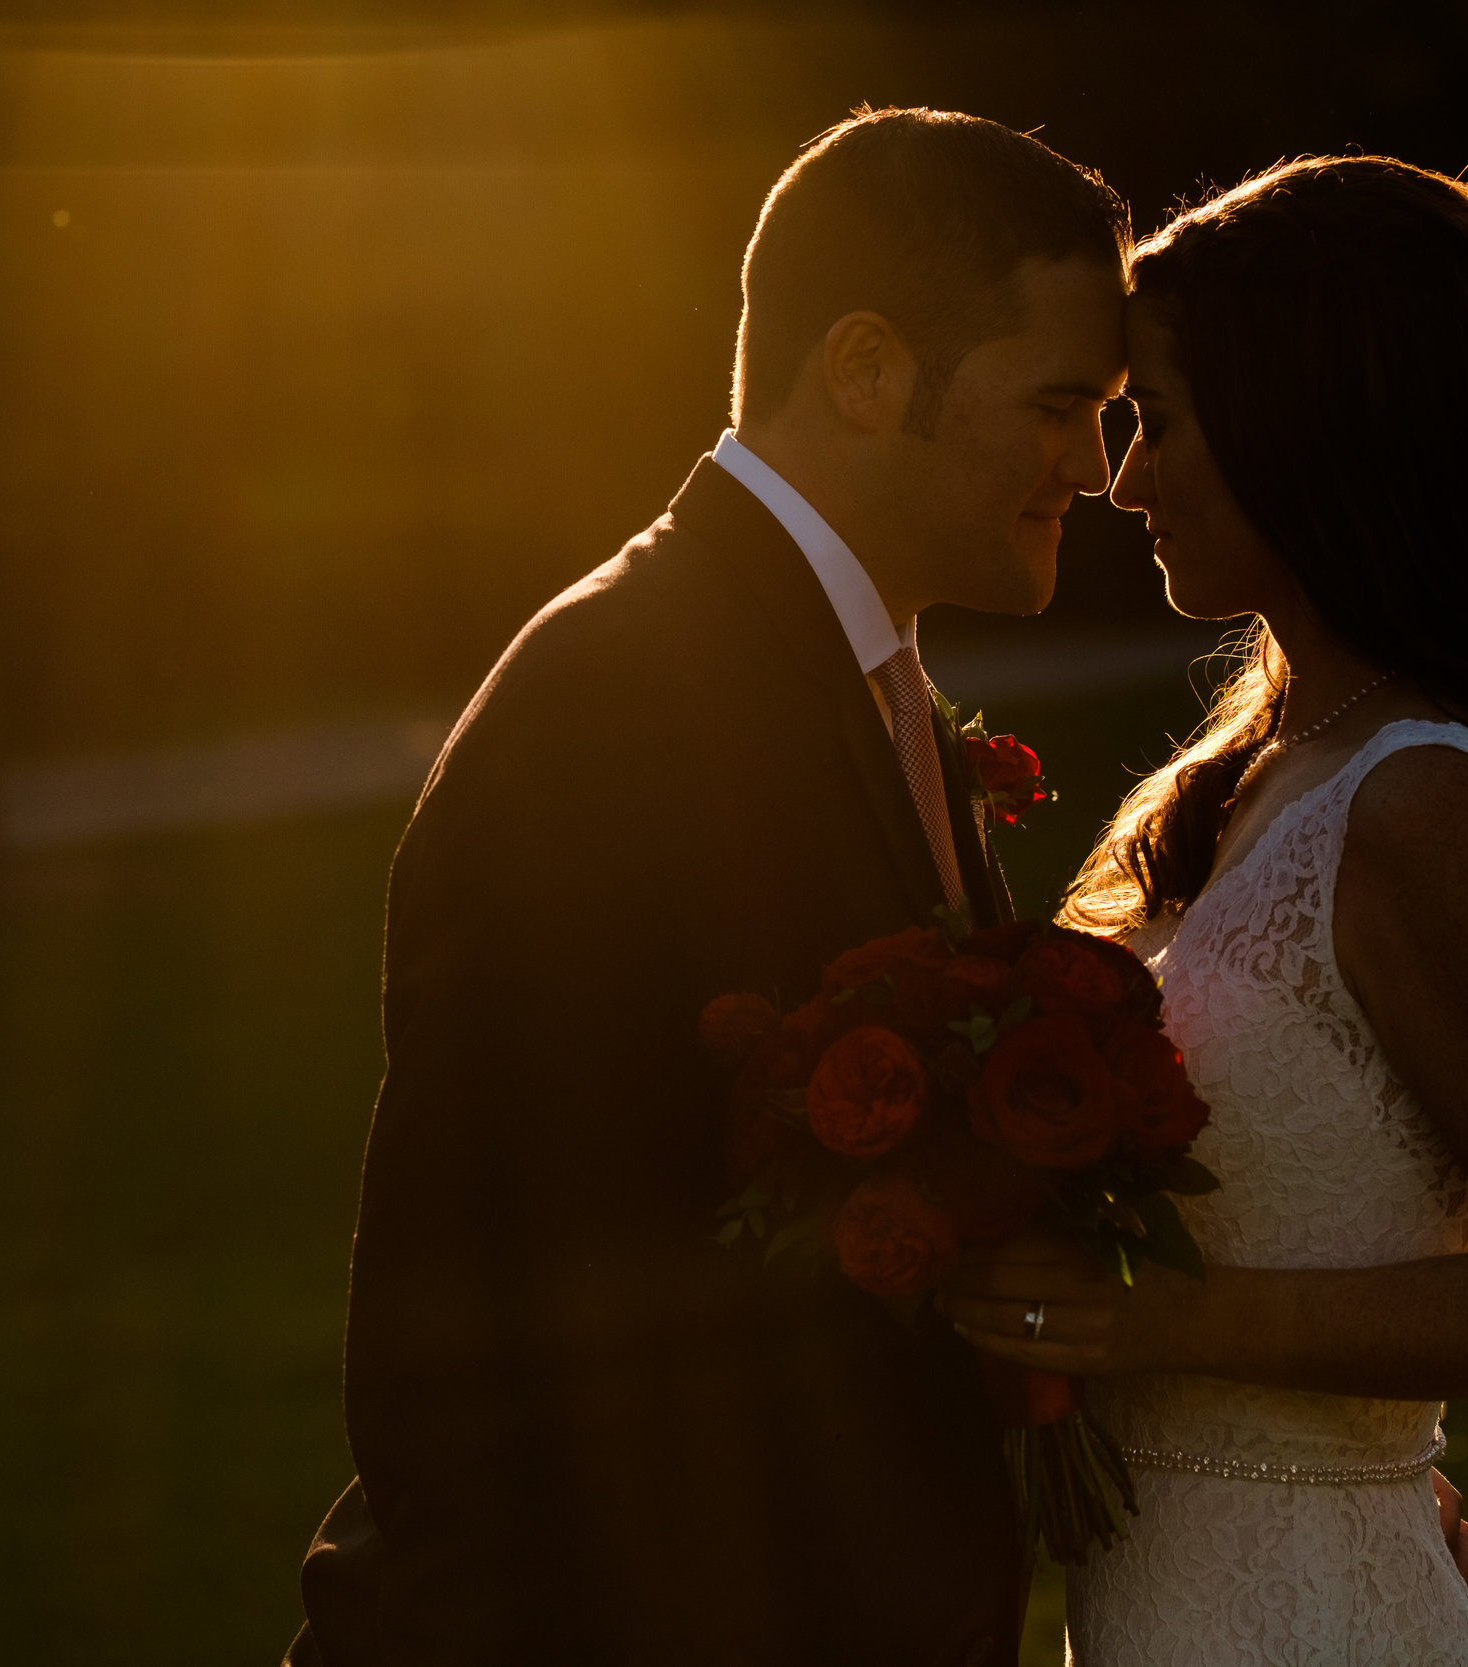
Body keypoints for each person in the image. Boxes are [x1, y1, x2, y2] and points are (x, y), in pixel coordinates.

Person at [285, 107, 1129, 1667]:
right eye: (1061, 404)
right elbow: (485, 1301)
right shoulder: (619, 697)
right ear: (869, 371)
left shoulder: (870, 688)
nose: (1096, 464)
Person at [940, 156, 1468, 1665]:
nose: (1120, 477)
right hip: (1176, 1595)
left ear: (1314, 428)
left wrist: (1150, 1324)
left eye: (1161, 418)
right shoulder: (1261, 763)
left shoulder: (1422, 801)